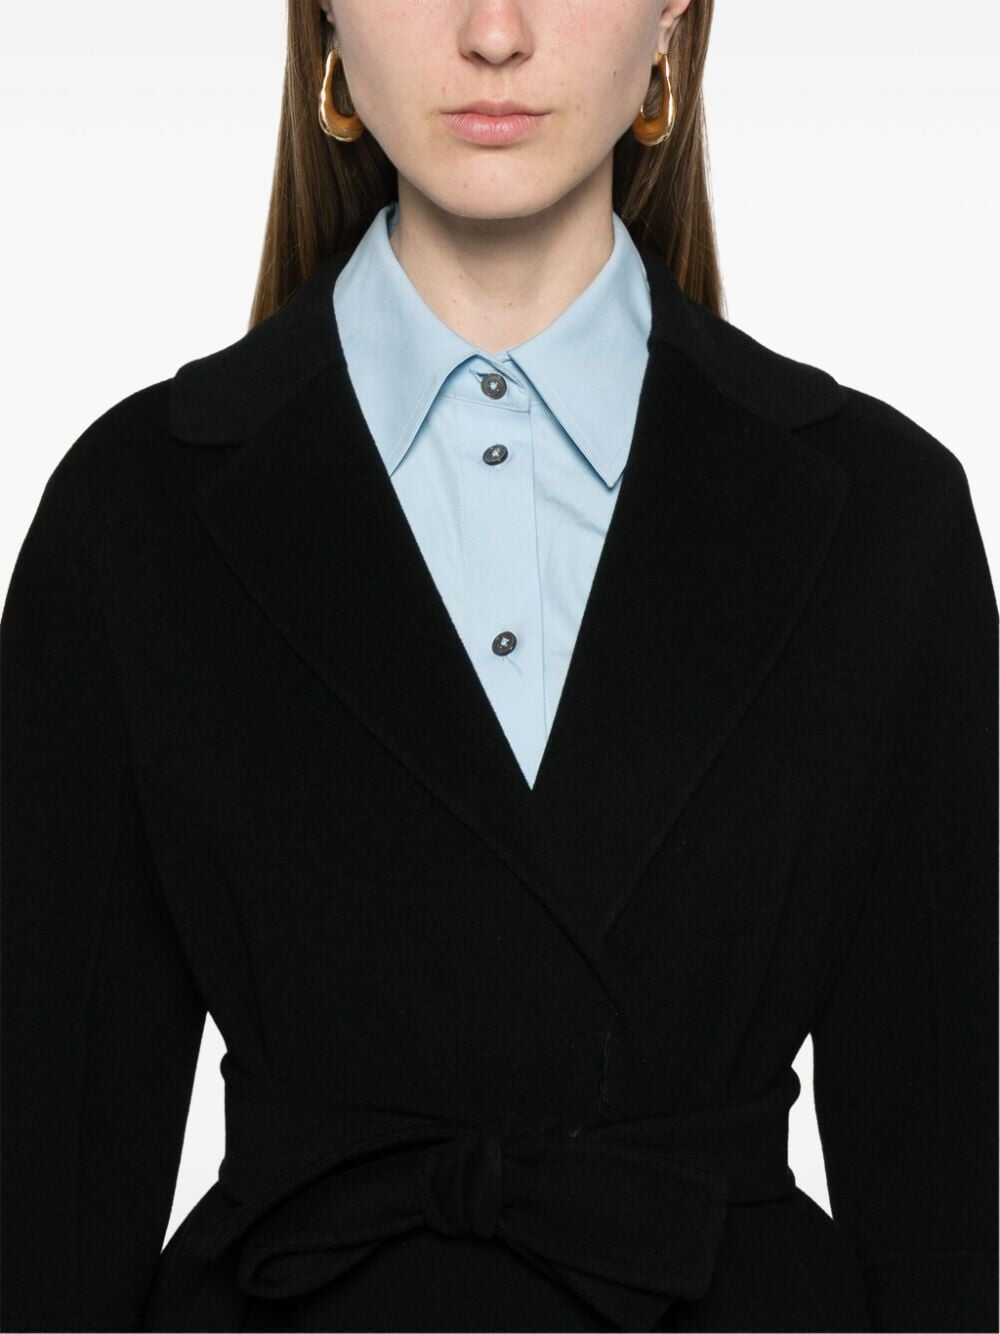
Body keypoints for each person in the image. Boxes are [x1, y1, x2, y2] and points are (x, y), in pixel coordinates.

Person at [2, 1, 996, 1330]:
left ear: (673, 17)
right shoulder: (132, 515)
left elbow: (954, 1227)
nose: (494, 31)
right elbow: (42, 1220)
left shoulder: (882, 522)